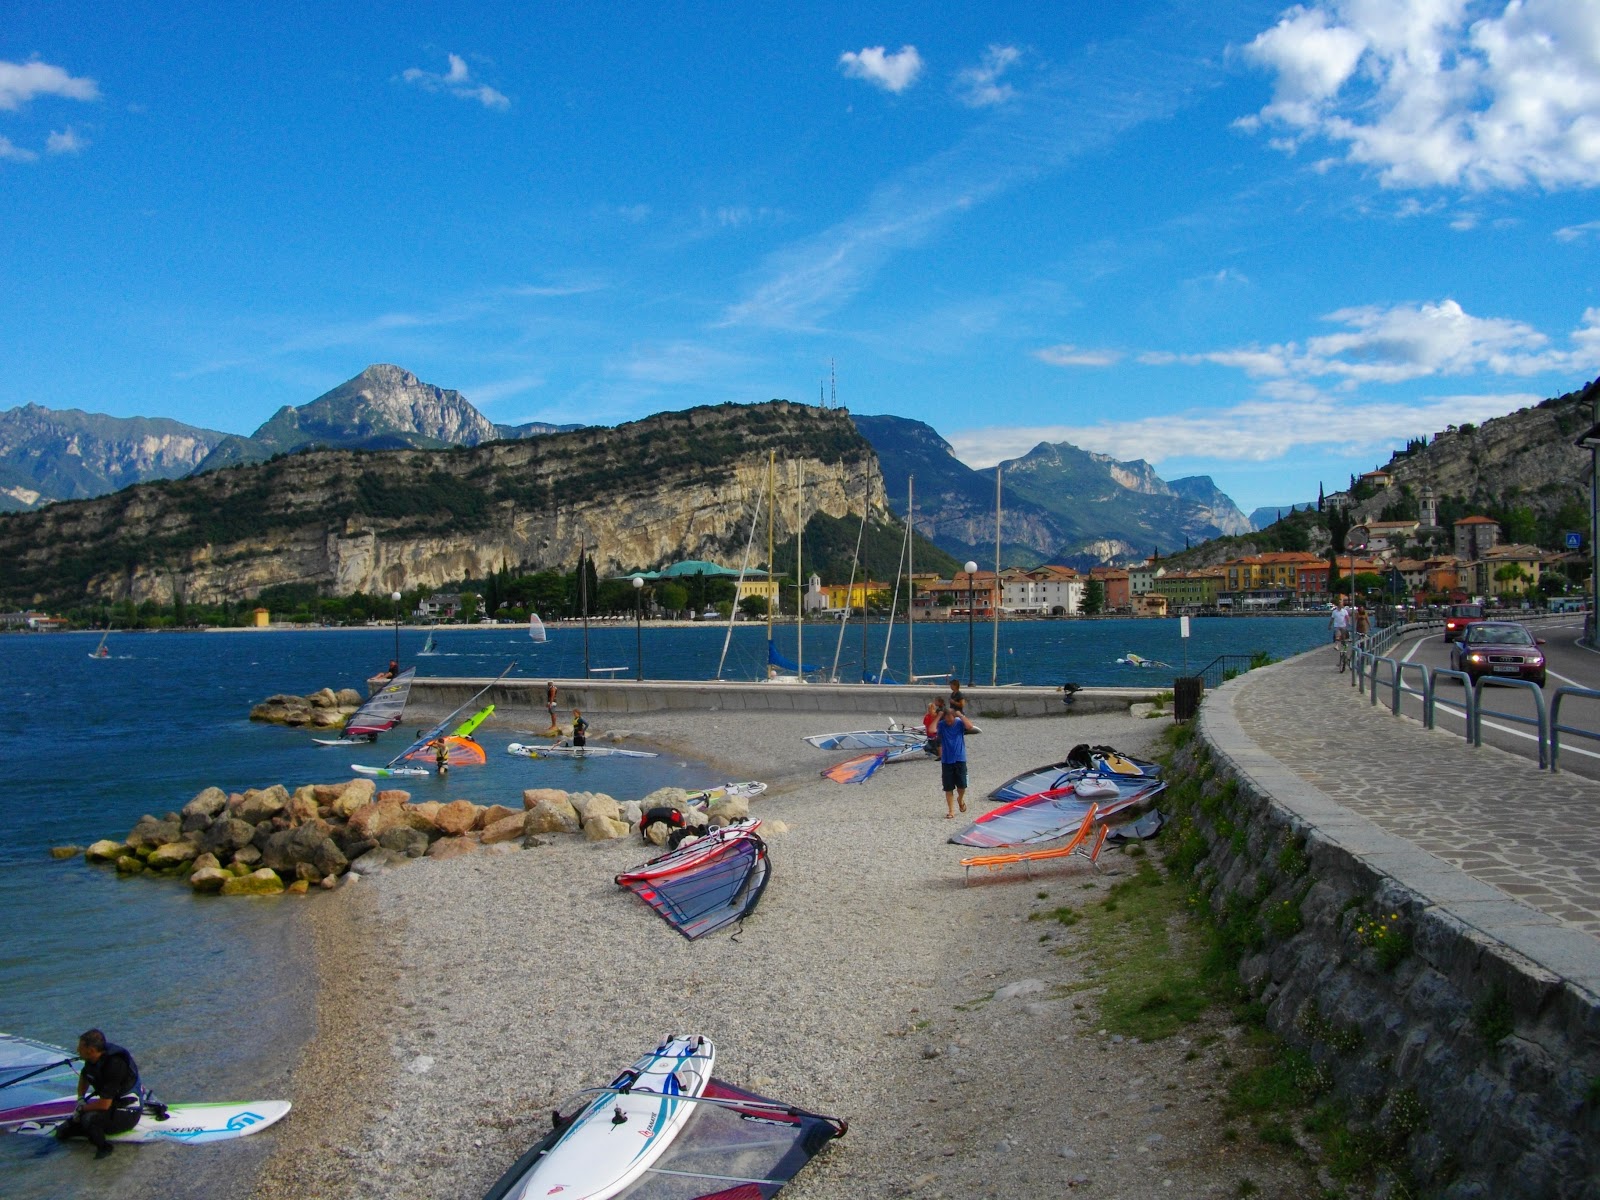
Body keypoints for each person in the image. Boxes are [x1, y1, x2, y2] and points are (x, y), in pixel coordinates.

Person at [52, 1030, 144, 1158]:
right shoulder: (92, 1059)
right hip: (110, 1106)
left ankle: (104, 1148)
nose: (77, 1049)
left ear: (90, 1050)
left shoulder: (115, 1065)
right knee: (62, 1132)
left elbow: (104, 1105)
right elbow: (85, 1076)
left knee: (89, 1119)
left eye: (80, 1047)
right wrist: (81, 1099)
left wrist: (82, 1109)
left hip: (128, 1112)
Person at [937, 702, 977, 819]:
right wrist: (939, 716)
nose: (949, 722)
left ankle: (960, 799)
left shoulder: (959, 723)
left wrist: (961, 715)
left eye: (951, 720)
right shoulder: (942, 725)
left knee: (962, 786)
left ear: (954, 717)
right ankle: (951, 811)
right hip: (946, 761)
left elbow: (970, 727)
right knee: (948, 787)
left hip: (960, 758)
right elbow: (931, 729)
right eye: (947, 720)